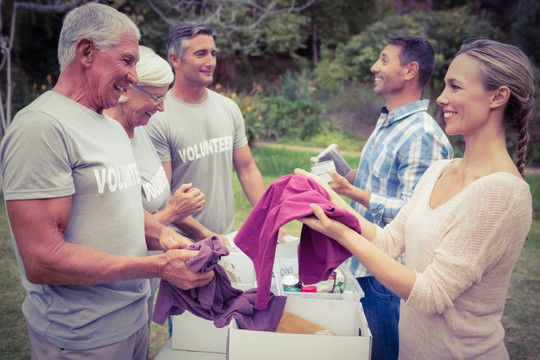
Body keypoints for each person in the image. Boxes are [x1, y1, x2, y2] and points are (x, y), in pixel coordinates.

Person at [297, 39, 534, 359]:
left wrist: (339, 233)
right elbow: (389, 241)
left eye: (455, 87)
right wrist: (329, 202)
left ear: (498, 96)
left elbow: (430, 294)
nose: (441, 98)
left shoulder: (502, 194)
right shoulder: (440, 170)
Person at [0, 4, 213, 359]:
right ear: (86, 51)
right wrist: (157, 266)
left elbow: (124, 209)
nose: (134, 76)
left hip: (133, 318)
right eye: (127, 60)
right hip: (82, 334)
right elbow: (42, 259)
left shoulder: (110, 125)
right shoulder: (41, 127)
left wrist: (166, 237)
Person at [316, 35, 453, 359]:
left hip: (388, 276)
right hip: (363, 260)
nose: (374, 67)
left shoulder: (421, 133)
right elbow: (379, 185)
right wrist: (343, 172)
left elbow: (415, 211)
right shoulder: (390, 121)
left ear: (410, 71)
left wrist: (351, 192)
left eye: (384, 60)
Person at [145, 22, 266, 242]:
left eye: (213, 53)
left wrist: (269, 218)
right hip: (180, 243)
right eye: (201, 54)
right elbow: (163, 197)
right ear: (175, 59)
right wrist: (205, 234)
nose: (210, 62)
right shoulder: (158, 116)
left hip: (225, 236)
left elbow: (247, 169)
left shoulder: (228, 108)